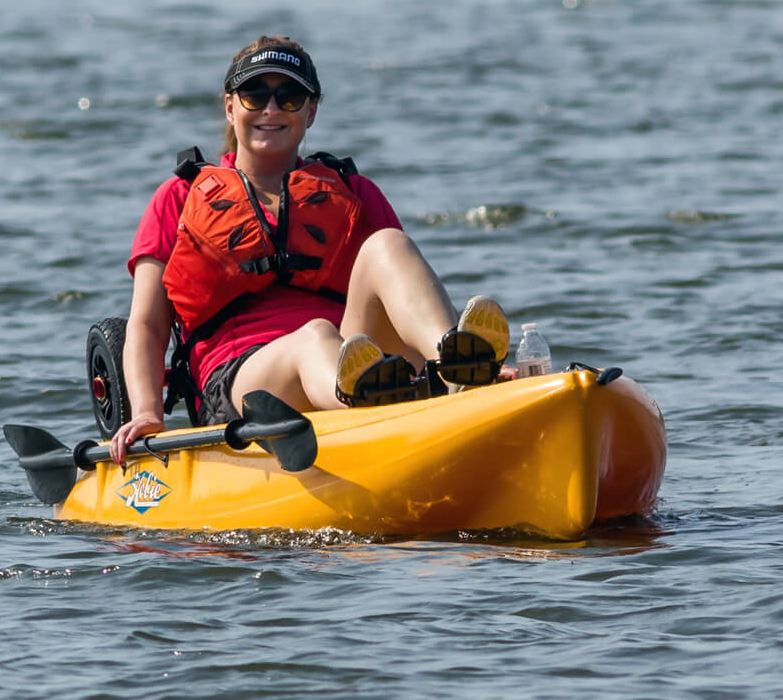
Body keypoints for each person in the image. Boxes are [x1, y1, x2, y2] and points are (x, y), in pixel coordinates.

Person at [109, 35, 513, 465]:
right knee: (314, 337)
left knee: (388, 245)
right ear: (230, 106)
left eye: (289, 97)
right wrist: (148, 413)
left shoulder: (353, 192)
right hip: (240, 379)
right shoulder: (179, 196)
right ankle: (380, 406)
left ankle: (458, 366)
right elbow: (148, 325)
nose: (270, 109)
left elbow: (397, 290)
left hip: (357, 357)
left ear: (311, 110)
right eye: (254, 95)